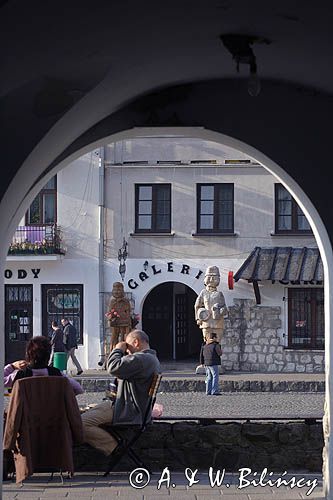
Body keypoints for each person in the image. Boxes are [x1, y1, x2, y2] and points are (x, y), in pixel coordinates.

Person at [81, 329, 161, 456]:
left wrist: (118, 349)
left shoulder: (142, 359)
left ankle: (114, 448)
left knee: (80, 424)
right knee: (81, 414)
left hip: (126, 409)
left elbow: (113, 367)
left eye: (127, 346)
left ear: (136, 342)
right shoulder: (151, 359)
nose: (127, 351)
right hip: (125, 405)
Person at [4, 336, 83, 396]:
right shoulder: (57, 374)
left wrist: (12, 366)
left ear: (28, 354)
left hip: (25, 416)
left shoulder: (19, 375)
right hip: (53, 416)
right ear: (48, 356)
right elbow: (78, 389)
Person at [194, 265, 227, 342]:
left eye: (214, 277)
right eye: (209, 277)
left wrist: (221, 310)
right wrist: (198, 318)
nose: (212, 279)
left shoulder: (219, 294)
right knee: (207, 342)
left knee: (217, 342)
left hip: (218, 321)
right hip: (206, 321)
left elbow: (225, 308)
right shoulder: (203, 293)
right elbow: (197, 305)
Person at [107, 281, 132, 353]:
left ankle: (125, 351)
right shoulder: (112, 301)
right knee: (114, 337)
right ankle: (113, 351)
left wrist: (129, 321)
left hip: (125, 322)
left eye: (119, 289)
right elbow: (110, 311)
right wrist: (111, 318)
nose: (117, 292)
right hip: (116, 322)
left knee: (125, 337)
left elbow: (128, 311)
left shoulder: (126, 301)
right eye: (115, 289)